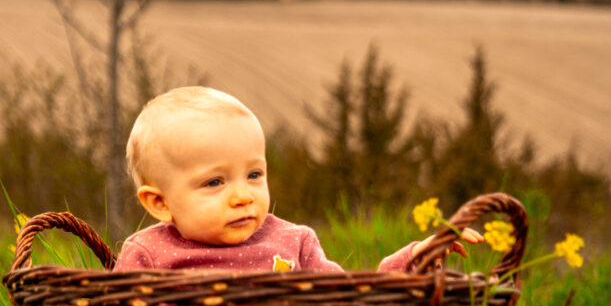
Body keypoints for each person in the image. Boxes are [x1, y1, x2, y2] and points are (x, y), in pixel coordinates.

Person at [114, 86, 478, 273]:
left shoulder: (293, 243)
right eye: (214, 183)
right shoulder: (148, 255)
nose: (243, 196)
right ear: (159, 203)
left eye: (254, 174)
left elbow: (353, 302)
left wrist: (415, 257)